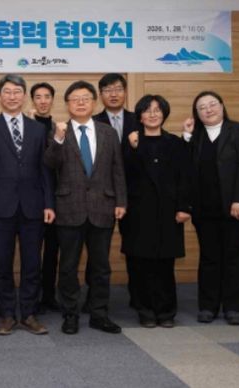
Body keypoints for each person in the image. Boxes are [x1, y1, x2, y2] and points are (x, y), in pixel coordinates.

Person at [44, 80, 127, 335]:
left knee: (101, 266)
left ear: (94, 102)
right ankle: (70, 314)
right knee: (68, 266)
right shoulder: (58, 131)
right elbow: (49, 164)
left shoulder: (108, 132)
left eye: (85, 98)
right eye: (75, 99)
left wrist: (121, 201)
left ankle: (99, 314)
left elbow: (117, 169)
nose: (80, 103)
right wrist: (58, 139)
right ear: (67, 104)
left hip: (103, 206)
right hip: (69, 207)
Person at [0, 74, 55, 335]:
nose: (12, 96)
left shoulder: (37, 129)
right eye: (7, 92)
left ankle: (30, 314)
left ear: (24, 96)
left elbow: (44, 170)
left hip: (33, 206)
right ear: (0, 96)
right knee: (2, 264)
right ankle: (8, 314)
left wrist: (48, 203)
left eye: (17, 92)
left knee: (32, 264)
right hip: (0, 205)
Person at [183, 91, 239, 326]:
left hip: (236, 208)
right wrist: (186, 136)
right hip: (205, 209)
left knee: (233, 256)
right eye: (202, 107)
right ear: (196, 114)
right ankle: (208, 306)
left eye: (212, 104)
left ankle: (233, 307)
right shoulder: (196, 136)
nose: (208, 110)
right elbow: (185, 167)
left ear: (222, 106)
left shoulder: (238, 130)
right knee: (209, 257)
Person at [123, 95, 191, 328]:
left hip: (168, 212)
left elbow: (185, 177)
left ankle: (166, 312)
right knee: (139, 264)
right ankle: (144, 311)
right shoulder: (131, 141)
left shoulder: (175, 143)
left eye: (157, 110)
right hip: (138, 212)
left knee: (164, 265)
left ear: (164, 114)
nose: (152, 114)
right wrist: (134, 149)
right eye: (147, 110)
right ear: (140, 116)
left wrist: (184, 207)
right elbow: (123, 175)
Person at [92, 73, 139, 310]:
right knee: (97, 250)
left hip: (136, 194)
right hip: (100, 195)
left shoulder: (139, 119)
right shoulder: (91, 121)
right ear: (100, 94)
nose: (113, 94)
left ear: (125, 92)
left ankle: (138, 296)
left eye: (118, 89)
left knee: (136, 246)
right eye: (108, 90)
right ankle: (94, 299)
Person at [29, 82, 60, 312]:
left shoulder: (60, 127)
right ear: (32, 100)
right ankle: (34, 297)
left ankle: (49, 295)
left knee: (52, 250)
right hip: (33, 197)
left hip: (57, 197)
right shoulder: (26, 125)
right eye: (38, 97)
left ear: (52, 100)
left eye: (47, 96)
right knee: (33, 252)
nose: (42, 101)